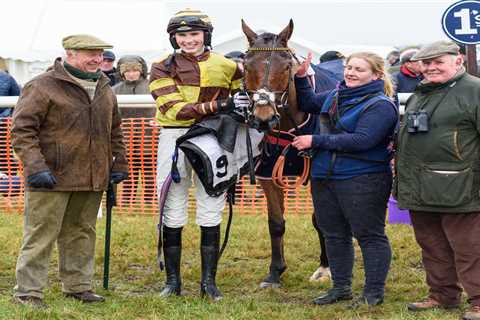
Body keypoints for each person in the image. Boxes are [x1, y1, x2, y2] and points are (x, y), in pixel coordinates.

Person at [11, 34, 128, 308]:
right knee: (40, 234)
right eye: (90, 53)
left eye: (99, 53)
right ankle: (27, 292)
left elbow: (116, 130)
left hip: (92, 177)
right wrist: (35, 167)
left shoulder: (104, 86)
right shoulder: (42, 85)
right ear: (70, 54)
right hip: (50, 177)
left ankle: (78, 286)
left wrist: (118, 164)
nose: (97, 58)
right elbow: (22, 130)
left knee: (82, 231)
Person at [149, 8, 246, 301]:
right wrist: (219, 106)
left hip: (213, 138)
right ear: (173, 37)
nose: (188, 40)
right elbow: (174, 110)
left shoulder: (229, 66)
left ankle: (209, 283)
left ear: (206, 35)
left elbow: (244, 100)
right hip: (174, 136)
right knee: (172, 204)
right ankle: (173, 282)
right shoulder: (161, 66)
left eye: (194, 34)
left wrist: (242, 104)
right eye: (182, 35)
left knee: (211, 200)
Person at [292, 51, 398, 307]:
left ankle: (373, 293)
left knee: (369, 235)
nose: (350, 73)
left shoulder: (380, 105)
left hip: (363, 178)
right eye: (349, 67)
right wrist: (302, 77)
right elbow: (307, 103)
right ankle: (340, 288)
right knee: (334, 234)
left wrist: (314, 140)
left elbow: (363, 140)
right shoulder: (335, 95)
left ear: (376, 75)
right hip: (324, 176)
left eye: (359, 69)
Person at [395, 40, 480, 320]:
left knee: (470, 248)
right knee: (432, 245)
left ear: (458, 61)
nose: (431, 68)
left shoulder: (474, 91)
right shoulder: (422, 92)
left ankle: (478, 301)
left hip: (462, 187)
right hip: (422, 187)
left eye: (438, 62)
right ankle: (443, 295)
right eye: (426, 63)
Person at [113, 55, 156, 205]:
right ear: (121, 72)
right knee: (128, 169)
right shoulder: (115, 90)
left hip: (149, 137)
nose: (131, 74)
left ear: (142, 70)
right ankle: (126, 201)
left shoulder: (153, 86)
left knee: (149, 170)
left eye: (135, 70)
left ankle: (150, 201)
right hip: (126, 138)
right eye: (127, 71)